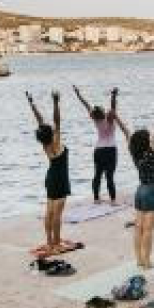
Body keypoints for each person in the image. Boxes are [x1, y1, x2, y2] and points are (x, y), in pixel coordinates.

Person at [118, 105, 154, 270]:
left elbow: (127, 133)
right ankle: (147, 261)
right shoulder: (150, 152)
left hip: (140, 191)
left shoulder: (134, 153)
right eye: (148, 138)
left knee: (138, 228)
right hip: (153, 190)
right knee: (148, 230)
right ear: (145, 142)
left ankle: (140, 260)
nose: (150, 139)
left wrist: (117, 119)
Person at [26, 91, 73, 256]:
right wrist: (55, 102)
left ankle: (49, 241)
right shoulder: (56, 142)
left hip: (51, 178)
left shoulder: (45, 143)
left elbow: (40, 122)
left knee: (49, 212)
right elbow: (57, 120)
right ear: (51, 133)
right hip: (60, 179)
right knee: (57, 214)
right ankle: (57, 244)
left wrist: (32, 104)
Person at [74, 86, 122, 205]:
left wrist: (78, 95)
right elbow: (113, 108)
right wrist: (113, 95)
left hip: (99, 150)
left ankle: (96, 199)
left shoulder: (96, 120)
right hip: (110, 150)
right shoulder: (109, 119)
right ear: (103, 112)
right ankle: (113, 200)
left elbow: (86, 105)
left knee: (97, 175)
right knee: (109, 176)